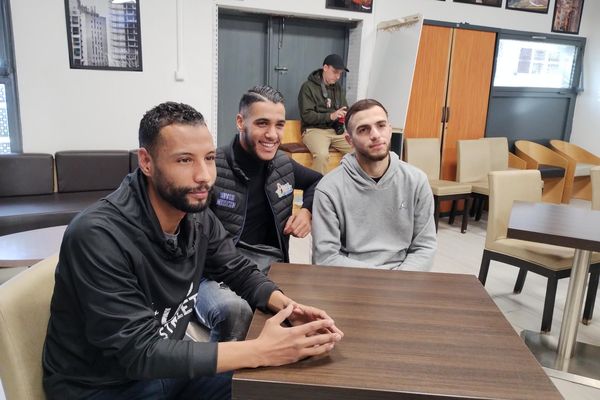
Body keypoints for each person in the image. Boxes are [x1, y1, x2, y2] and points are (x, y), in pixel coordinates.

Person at [42, 102, 343, 400]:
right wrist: (260, 350)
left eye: (209, 158)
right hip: (103, 387)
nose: (204, 176)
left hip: (167, 371)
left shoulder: (194, 213)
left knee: (283, 384)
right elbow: (139, 353)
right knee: (263, 360)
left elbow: (236, 268)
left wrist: (289, 308)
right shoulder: (97, 236)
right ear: (146, 162)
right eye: (185, 160)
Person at [195, 85, 323, 343]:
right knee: (236, 311)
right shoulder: (212, 168)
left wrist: (307, 211)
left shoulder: (284, 165)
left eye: (279, 125)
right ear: (240, 121)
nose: (272, 134)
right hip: (216, 274)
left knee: (312, 308)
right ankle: (222, 382)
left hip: (271, 266)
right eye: (262, 123)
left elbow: (318, 181)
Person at [311, 98, 437, 270]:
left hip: (403, 278)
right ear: (349, 140)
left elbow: (424, 247)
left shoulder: (416, 181)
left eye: (381, 125)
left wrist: (397, 281)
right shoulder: (329, 189)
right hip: (350, 281)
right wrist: (380, 281)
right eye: (363, 129)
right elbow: (326, 257)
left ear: (390, 129)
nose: (376, 134)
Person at [298, 53, 353, 174]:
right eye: (335, 72)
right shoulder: (308, 87)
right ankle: (316, 189)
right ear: (325, 68)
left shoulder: (338, 88)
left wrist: (345, 116)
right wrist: (331, 116)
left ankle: (350, 185)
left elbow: (344, 109)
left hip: (335, 130)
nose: (338, 76)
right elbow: (307, 116)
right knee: (322, 155)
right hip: (313, 130)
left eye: (340, 73)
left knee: (358, 151)